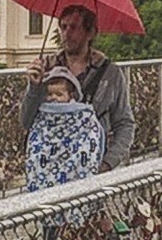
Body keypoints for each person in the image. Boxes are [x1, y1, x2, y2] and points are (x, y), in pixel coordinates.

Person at [21, 5, 136, 171]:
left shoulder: (110, 74)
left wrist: (107, 163)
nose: (66, 33)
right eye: (63, 27)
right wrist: (34, 88)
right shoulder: (46, 67)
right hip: (49, 168)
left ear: (91, 33)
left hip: (92, 165)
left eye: (74, 27)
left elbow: (125, 123)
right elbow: (26, 120)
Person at [25, 66, 105, 195]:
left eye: (59, 94)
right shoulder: (42, 113)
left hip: (74, 156)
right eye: (49, 94)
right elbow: (36, 133)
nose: (53, 98)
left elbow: (92, 133)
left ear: (71, 95)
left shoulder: (82, 113)